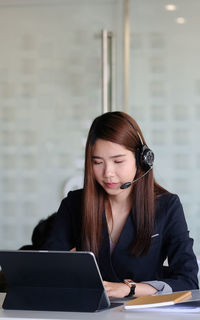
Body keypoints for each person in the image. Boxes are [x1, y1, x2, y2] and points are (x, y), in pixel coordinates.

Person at [41, 111, 199, 298]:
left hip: (144, 313)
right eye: (98, 162)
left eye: (118, 161)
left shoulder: (167, 206)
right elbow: (47, 270)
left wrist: (130, 288)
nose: (108, 173)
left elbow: (188, 280)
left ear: (141, 160)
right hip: (88, 312)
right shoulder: (75, 204)